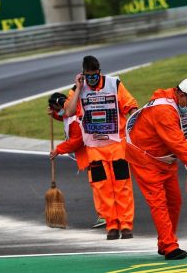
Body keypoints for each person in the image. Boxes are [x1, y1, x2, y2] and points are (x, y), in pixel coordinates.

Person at [125, 77, 187, 260]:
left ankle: (165, 242)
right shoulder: (164, 110)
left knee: (174, 200)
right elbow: (177, 142)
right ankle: (169, 246)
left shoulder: (175, 103)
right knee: (158, 203)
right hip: (144, 159)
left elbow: (179, 140)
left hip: (164, 159)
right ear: (182, 95)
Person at [64, 56, 138, 240]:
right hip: (93, 148)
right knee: (101, 187)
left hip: (117, 144)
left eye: (94, 76)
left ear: (99, 71)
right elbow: (69, 111)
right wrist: (79, 87)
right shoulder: (78, 89)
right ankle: (111, 225)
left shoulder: (115, 84)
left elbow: (131, 106)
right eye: (88, 76)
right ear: (83, 74)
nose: (92, 79)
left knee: (122, 185)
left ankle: (126, 225)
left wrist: (136, 122)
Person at [48, 92, 106, 229]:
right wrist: (55, 115)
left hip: (94, 154)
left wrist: (58, 149)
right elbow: (65, 117)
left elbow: (76, 141)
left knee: (99, 185)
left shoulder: (75, 118)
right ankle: (106, 213)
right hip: (93, 152)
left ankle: (105, 214)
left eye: (57, 109)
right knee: (99, 184)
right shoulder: (71, 111)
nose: (59, 112)